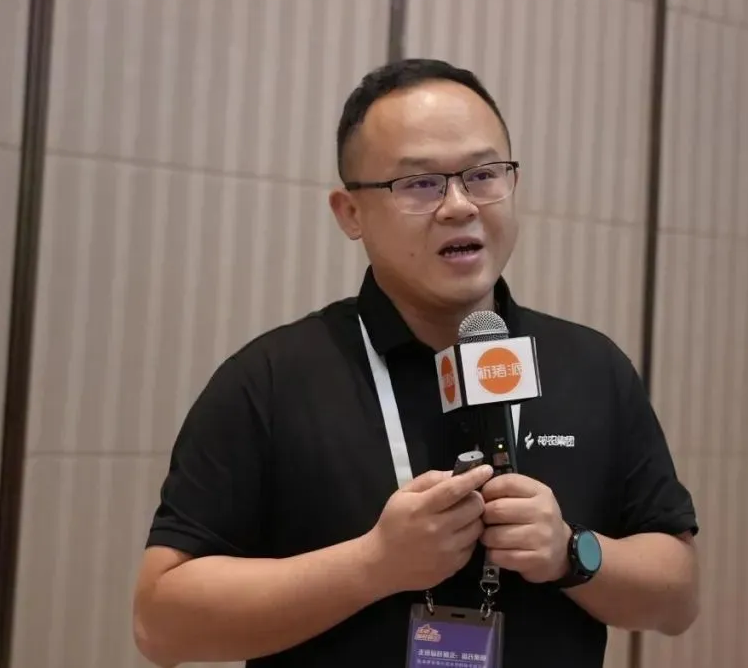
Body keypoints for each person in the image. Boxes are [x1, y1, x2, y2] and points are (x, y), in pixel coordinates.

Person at [132, 58, 700, 668]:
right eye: (420, 184)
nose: (459, 205)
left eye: (483, 174)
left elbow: (678, 597)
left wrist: (571, 552)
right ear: (351, 213)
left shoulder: (591, 367)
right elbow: (161, 625)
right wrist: (373, 564)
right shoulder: (270, 380)